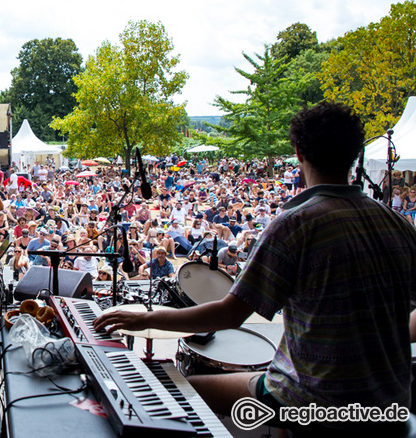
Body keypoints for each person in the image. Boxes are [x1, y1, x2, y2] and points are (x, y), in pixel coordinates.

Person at [95, 102, 416, 434]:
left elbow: (230, 316)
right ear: (354, 155)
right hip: (390, 403)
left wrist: (143, 317)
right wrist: (379, 335)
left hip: (315, 402)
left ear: (299, 153)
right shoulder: (399, 224)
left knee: (183, 386)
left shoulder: (296, 225)